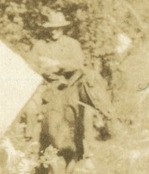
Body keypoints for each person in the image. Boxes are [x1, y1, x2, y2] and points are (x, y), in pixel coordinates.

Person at [25, 10, 116, 148]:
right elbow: (30, 65)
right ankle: (31, 142)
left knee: (84, 111)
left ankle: (84, 148)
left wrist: (58, 65)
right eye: (51, 28)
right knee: (31, 107)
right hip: (45, 84)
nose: (53, 31)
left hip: (69, 84)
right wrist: (43, 68)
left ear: (62, 28)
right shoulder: (40, 45)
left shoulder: (72, 44)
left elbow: (78, 64)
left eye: (57, 28)